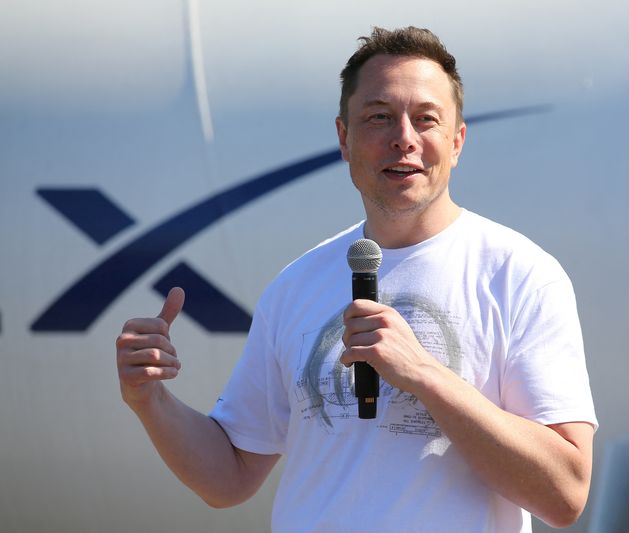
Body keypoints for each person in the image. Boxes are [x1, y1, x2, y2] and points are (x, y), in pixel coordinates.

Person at [116, 26, 597, 532]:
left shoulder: (519, 275)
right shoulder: (297, 284)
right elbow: (230, 476)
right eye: (379, 117)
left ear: (456, 142)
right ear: (344, 139)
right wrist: (149, 400)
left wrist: (423, 374)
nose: (404, 139)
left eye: (426, 119)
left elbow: (564, 493)